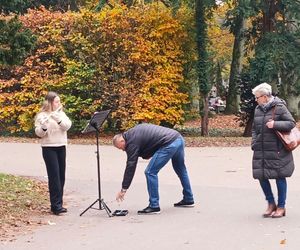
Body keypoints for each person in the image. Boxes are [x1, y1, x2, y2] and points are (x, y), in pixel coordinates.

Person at [113, 123, 194, 214]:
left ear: (121, 141)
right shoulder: (133, 133)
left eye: (121, 148)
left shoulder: (131, 142)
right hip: (178, 139)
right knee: (181, 170)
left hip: (168, 143)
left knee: (150, 172)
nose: (123, 150)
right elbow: (150, 142)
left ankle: (154, 205)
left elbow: (131, 165)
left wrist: (124, 189)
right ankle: (189, 199)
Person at [251, 83, 295, 218]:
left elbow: (291, 123)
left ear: (264, 97)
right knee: (261, 176)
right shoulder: (258, 109)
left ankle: (281, 206)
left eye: (257, 97)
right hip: (261, 149)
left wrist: (275, 124)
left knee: (279, 177)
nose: (256, 99)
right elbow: (254, 128)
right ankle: (271, 204)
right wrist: (254, 142)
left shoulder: (280, 107)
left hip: (277, 150)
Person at [35, 91, 72, 215]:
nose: (59, 103)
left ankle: (58, 203)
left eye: (59, 101)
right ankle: (55, 206)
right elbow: (39, 133)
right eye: (56, 101)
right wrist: (44, 126)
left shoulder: (61, 114)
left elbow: (67, 126)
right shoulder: (41, 115)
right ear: (50, 103)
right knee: (54, 176)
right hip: (48, 147)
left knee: (61, 175)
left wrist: (58, 119)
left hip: (61, 146)